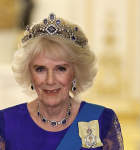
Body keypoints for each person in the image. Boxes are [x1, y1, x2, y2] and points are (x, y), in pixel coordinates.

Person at [0, 13, 123, 150]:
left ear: (76, 72)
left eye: (61, 69)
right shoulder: (5, 123)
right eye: (40, 69)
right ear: (29, 73)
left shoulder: (102, 120)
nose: (50, 80)